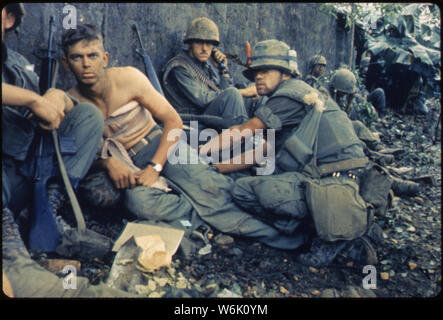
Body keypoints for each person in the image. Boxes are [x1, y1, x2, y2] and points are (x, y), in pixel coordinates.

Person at [61, 24, 309, 252]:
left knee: (216, 193)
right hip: (126, 164)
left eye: (92, 56)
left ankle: (292, 236)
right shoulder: (70, 103)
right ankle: (205, 217)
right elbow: (71, 160)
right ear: (66, 63)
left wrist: (155, 167)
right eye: (76, 57)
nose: (85, 64)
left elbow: (173, 122)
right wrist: (106, 163)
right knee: (140, 205)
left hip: (162, 147)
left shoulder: (128, 78)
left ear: (104, 58)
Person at [201, 39, 382, 267]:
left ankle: (323, 235)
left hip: (333, 183)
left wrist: (199, 153)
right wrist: (217, 167)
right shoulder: (298, 93)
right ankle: (339, 223)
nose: (258, 76)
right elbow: (263, 152)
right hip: (341, 179)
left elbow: (244, 131)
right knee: (254, 180)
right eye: (256, 72)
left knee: (243, 190)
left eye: (265, 71)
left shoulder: (288, 96)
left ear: (285, 74)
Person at [2, 4, 135, 297]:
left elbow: (53, 110)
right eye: (78, 57)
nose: (86, 63)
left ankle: (45, 212)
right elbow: (32, 102)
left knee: (88, 116)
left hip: (21, 173)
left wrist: (58, 98)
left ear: (9, 19)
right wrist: (32, 100)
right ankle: (10, 246)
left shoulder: (17, 65)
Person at [161, 17, 261, 128]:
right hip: (194, 121)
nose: (204, 48)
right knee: (234, 93)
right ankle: (243, 139)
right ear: (190, 43)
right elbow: (203, 100)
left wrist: (223, 69)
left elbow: (223, 91)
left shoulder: (206, 65)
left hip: (209, 115)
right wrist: (244, 92)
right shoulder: (179, 67)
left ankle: (266, 137)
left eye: (209, 44)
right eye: (199, 42)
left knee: (256, 91)